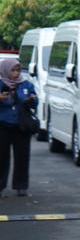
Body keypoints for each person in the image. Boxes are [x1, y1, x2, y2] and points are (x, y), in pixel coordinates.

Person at [0, 56, 38, 197]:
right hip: (3, 125)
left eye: (18, 70)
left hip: (21, 126)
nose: (16, 73)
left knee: (22, 157)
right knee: (1, 158)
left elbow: (35, 103)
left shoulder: (26, 84)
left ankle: (21, 186)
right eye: (13, 70)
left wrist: (32, 99)